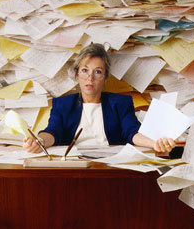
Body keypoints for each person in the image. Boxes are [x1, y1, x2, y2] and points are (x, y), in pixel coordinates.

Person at [23, 43, 176, 153]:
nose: (90, 78)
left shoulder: (120, 104)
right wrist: (40, 141)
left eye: (97, 72)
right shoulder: (62, 104)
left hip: (110, 166)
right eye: (84, 70)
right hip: (74, 165)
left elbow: (132, 132)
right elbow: (53, 131)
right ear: (77, 75)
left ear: (105, 77)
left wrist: (155, 143)